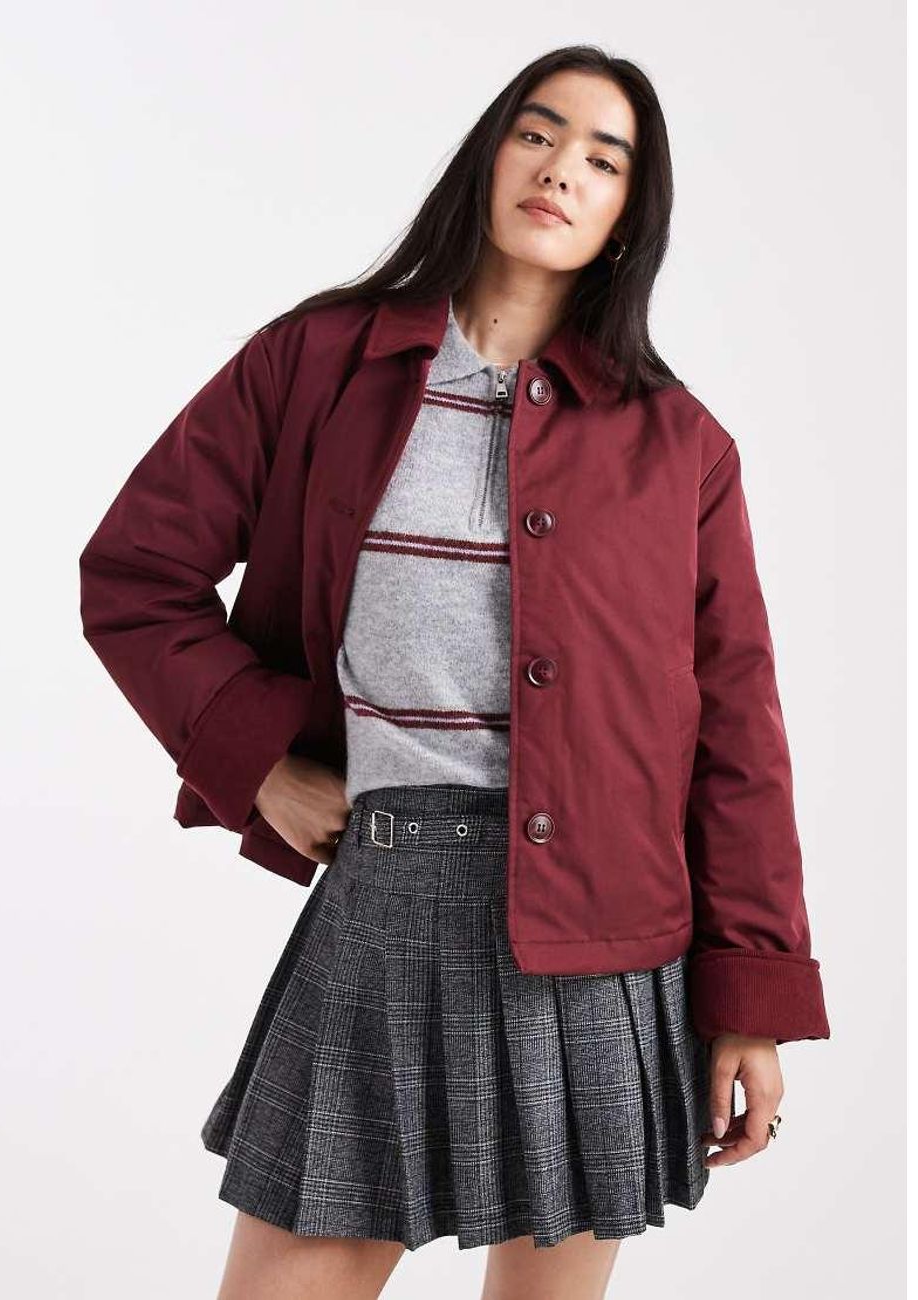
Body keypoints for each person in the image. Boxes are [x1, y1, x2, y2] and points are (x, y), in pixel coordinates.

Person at [78, 44, 831, 1300]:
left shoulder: (677, 446)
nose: (561, 169)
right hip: (386, 895)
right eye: (537, 134)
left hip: (601, 932)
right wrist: (260, 766)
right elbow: (134, 572)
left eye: (604, 159)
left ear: (627, 215)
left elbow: (736, 733)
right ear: (489, 156)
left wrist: (749, 999)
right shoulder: (313, 362)